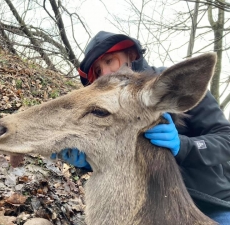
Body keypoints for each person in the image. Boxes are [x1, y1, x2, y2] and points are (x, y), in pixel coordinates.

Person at [51, 31, 230, 224]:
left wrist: (184, 146)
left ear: (131, 55)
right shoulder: (106, 110)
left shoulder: (177, 85)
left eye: (110, 61)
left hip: (209, 204)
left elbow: (226, 139)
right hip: (146, 209)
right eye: (99, 70)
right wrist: (88, 162)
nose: (106, 72)